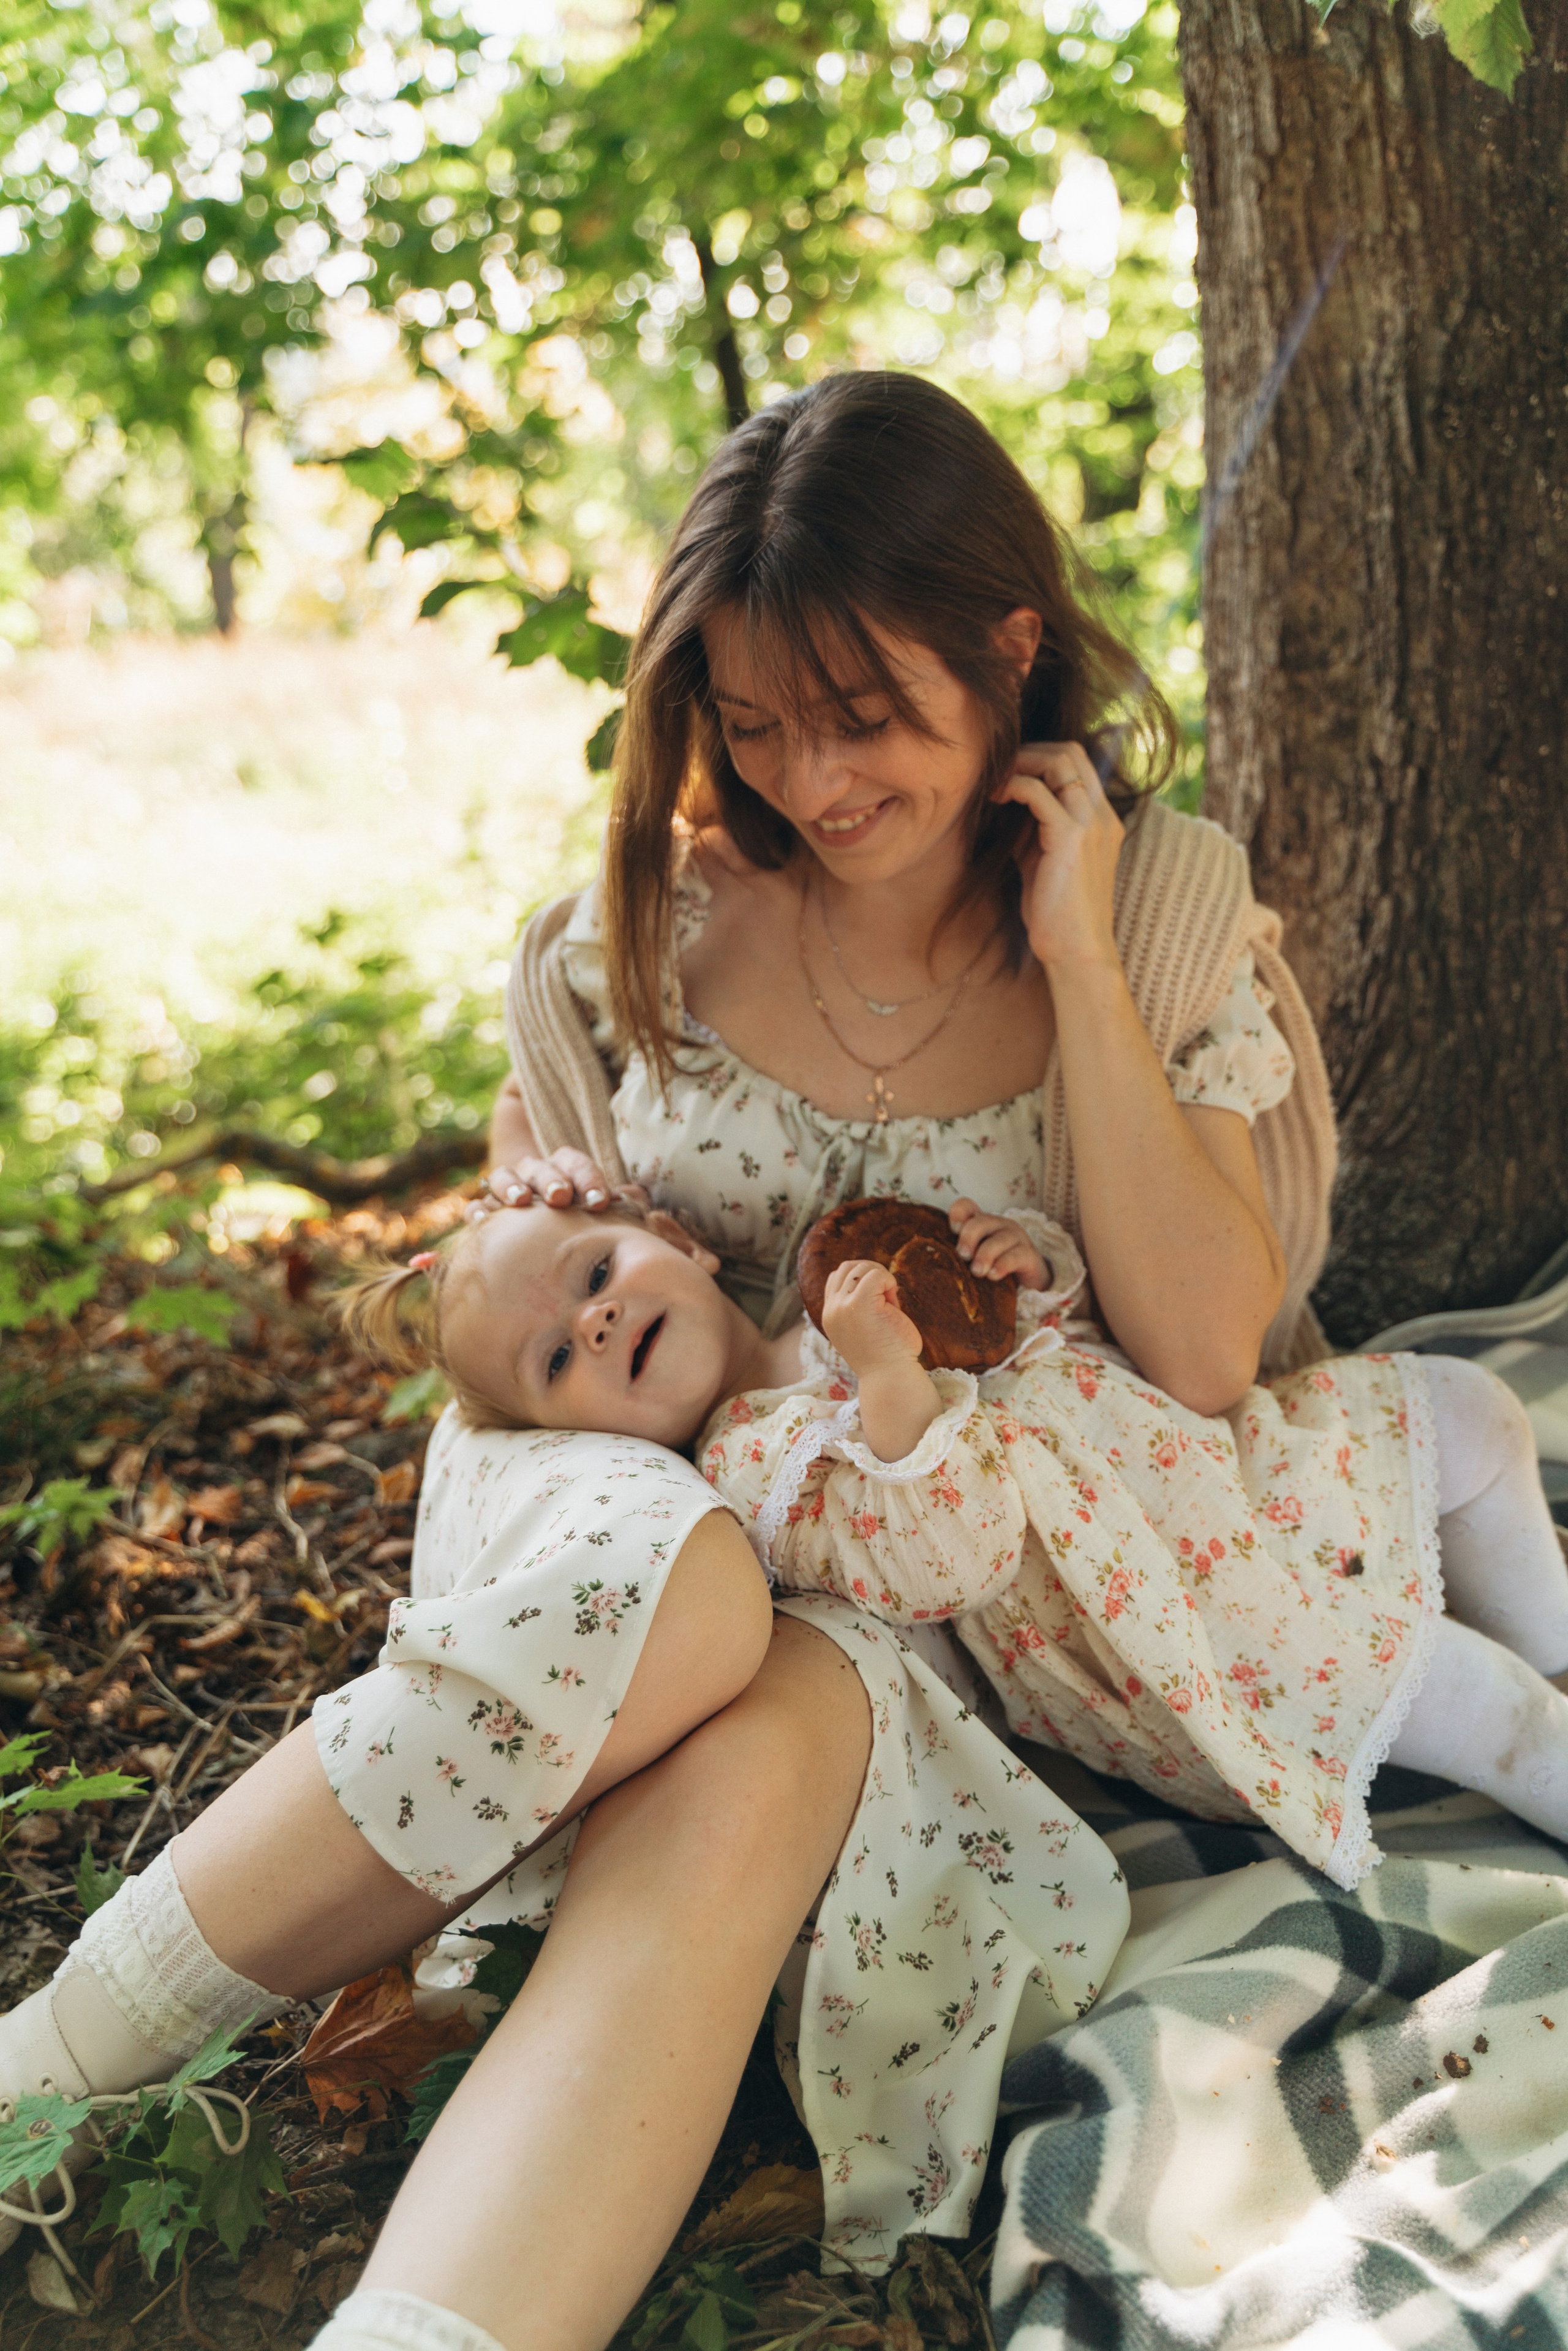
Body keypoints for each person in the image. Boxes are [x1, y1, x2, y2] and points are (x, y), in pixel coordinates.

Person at [339, 1180, 1568, 1892]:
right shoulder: (756, 1460)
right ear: (574, 1433)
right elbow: (950, 1555)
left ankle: (1552, 1641)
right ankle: (1533, 1726)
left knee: (1469, 1412)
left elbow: (1045, 1342)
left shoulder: (840, 1267)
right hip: (1164, 1611)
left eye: (594, 1268)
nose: (597, 1318)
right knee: (1471, 1700)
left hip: (1213, 1476)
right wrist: (886, 1380)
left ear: (681, 1242)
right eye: (556, 1355)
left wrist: (1022, 1265)